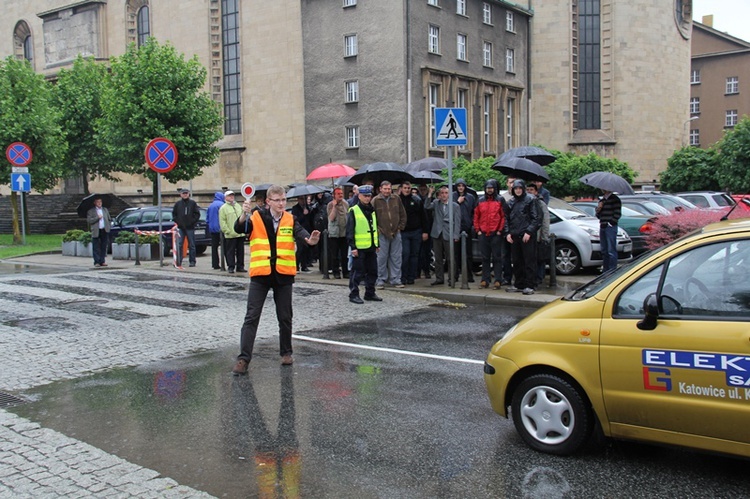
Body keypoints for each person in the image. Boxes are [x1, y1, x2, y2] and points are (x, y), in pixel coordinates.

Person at [231, 185, 320, 374]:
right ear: (268, 201)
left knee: (285, 316)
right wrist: (243, 214)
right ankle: (243, 359)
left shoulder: (290, 219)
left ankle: (286, 353)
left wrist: (310, 241)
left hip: (283, 274)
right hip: (261, 273)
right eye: (277, 200)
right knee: (251, 317)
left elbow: (302, 234)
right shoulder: (256, 216)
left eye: (283, 200)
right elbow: (240, 228)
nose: (281, 203)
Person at [504, 179, 541, 295]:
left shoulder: (531, 200)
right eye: (516, 188)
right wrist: (507, 232)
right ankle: (519, 284)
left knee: (529, 261)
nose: (518, 190)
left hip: (527, 235)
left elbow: (536, 218)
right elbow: (506, 219)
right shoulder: (510, 202)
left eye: (520, 188)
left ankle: (530, 285)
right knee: (516, 261)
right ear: (513, 190)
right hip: (515, 235)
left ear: (523, 189)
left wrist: (529, 232)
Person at [346, 184, 381, 304]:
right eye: (365, 196)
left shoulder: (371, 210)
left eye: (369, 196)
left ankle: (370, 293)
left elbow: (375, 228)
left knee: (373, 271)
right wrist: (353, 247)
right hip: (359, 247)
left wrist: (377, 244)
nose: (367, 198)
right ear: (359, 196)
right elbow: (350, 231)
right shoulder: (354, 210)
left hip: (371, 246)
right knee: (357, 272)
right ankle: (354, 294)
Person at [372, 180, 407, 289]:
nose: (387, 191)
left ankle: (395, 279)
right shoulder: (375, 200)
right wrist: (377, 229)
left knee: (396, 257)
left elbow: (403, 214)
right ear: (380, 189)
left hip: (396, 232)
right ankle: (380, 279)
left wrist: (401, 227)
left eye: (389, 189)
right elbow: (371, 216)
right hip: (382, 233)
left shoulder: (396, 198)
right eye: (385, 189)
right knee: (381, 258)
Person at [425, 185, 461, 286]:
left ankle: (451, 278)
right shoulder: (436, 203)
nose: (444, 195)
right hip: (437, 233)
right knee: (438, 258)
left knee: (450, 258)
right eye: (442, 193)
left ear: (449, 194)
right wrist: (430, 193)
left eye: (446, 193)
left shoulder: (455, 206)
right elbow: (426, 206)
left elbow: (457, 222)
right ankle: (439, 278)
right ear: (439, 195)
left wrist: (456, 235)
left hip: (448, 233)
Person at [473, 179, 506, 289]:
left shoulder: (500, 200)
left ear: (495, 189)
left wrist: (499, 230)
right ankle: (485, 280)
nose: (489, 190)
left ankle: (498, 279)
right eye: (488, 188)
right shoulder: (480, 200)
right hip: (483, 233)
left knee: (497, 258)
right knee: (485, 258)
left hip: (495, 233)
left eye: (491, 188)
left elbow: (503, 216)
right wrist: (478, 230)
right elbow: (476, 216)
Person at [398, 181, 429, 285]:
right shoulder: (397, 200)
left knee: (414, 255)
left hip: (416, 231)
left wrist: (425, 231)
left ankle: (412, 277)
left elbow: (423, 216)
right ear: (401, 188)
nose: (407, 190)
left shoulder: (416, 200)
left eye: (408, 188)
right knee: (405, 254)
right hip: (403, 232)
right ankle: (403, 276)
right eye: (405, 188)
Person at [526, 182, 550, 286]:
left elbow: (545, 221)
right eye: (528, 190)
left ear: (536, 191)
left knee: (540, 259)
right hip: (529, 235)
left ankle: (539, 278)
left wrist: (544, 236)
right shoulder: (526, 202)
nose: (529, 192)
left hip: (539, 235)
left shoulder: (541, 203)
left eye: (531, 190)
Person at [452, 179, 476, 283]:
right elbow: (449, 210)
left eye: (462, 186)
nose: (460, 187)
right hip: (455, 228)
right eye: (459, 186)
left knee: (468, 254)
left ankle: (469, 275)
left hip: (467, 228)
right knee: (456, 254)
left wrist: (472, 224)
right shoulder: (452, 196)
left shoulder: (470, 197)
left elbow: (474, 212)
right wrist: (458, 202)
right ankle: (455, 275)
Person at [172, 188, 201, 268]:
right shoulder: (178, 204)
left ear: (188, 194)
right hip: (181, 227)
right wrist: (178, 222)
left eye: (186, 193)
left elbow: (197, 214)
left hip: (190, 227)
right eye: (183, 193)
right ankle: (179, 261)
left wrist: (192, 222)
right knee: (179, 244)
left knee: (191, 245)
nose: (185, 194)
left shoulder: (192, 203)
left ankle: (192, 261)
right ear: (181, 194)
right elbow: (174, 214)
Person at [219, 190, 246, 274]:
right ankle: (231, 266)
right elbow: (222, 221)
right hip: (231, 234)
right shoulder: (223, 208)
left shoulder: (238, 205)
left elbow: (242, 216)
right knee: (230, 252)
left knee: (240, 251)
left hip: (240, 233)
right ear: (225, 197)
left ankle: (240, 266)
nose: (231, 197)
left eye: (232, 195)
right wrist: (227, 231)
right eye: (229, 195)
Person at [596, 189, 622, 273]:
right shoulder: (602, 200)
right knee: (604, 250)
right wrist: (599, 209)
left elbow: (617, 213)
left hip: (610, 227)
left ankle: (612, 270)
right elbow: (598, 215)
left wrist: (611, 223)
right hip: (602, 226)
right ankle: (605, 270)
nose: (603, 190)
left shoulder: (615, 199)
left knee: (611, 250)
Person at [327, 187, 349, 279]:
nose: (340, 195)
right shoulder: (330, 205)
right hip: (334, 233)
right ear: (334, 195)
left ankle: (345, 272)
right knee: (335, 255)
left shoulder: (345, 203)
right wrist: (334, 207)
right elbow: (331, 218)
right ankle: (336, 272)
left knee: (345, 255)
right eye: (338, 194)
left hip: (344, 232)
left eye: (341, 193)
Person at [86, 195, 112, 268]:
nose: (99, 203)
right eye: (98, 202)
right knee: (96, 246)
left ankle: (102, 261)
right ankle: (96, 261)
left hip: (104, 229)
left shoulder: (105, 210)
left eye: (100, 201)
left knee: (104, 246)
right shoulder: (91, 211)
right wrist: (98, 218)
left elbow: (109, 219)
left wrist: (109, 226)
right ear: (95, 203)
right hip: (96, 230)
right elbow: (89, 221)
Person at [290, 195, 314, 272]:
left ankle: (304, 266)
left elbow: (310, 219)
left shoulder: (308, 207)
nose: (303, 201)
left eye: (304, 199)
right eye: (301, 199)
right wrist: (303, 214)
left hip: (307, 230)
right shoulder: (295, 208)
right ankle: (296, 265)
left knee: (305, 249)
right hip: (299, 231)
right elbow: (296, 220)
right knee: (300, 249)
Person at [206, 191, 225, 270]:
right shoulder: (222, 205)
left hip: (212, 229)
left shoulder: (210, 206)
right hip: (221, 229)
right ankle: (226, 264)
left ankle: (215, 264)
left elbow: (207, 219)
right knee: (225, 247)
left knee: (214, 248)